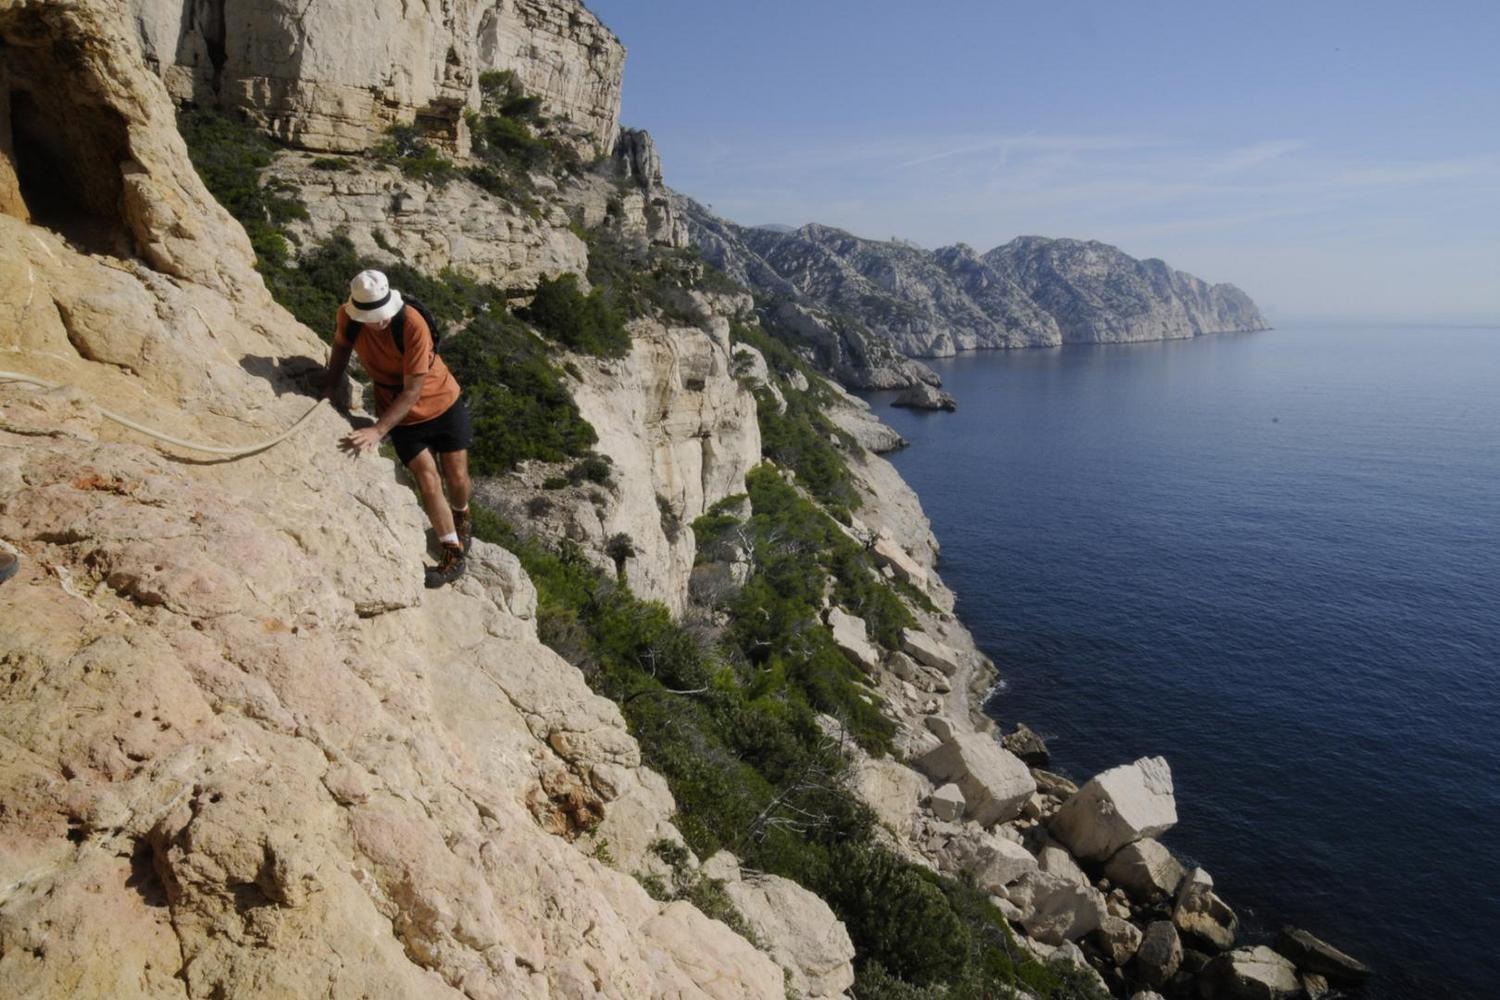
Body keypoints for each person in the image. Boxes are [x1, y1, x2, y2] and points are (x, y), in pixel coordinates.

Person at [320, 270, 473, 588]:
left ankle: (462, 516)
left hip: (441, 401)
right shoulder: (349, 319)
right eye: (370, 316)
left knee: (456, 477)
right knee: (428, 479)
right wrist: (328, 388)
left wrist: (378, 430)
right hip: (399, 411)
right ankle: (452, 555)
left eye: (380, 315)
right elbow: (340, 349)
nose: (378, 322)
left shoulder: (412, 324)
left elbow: (413, 391)